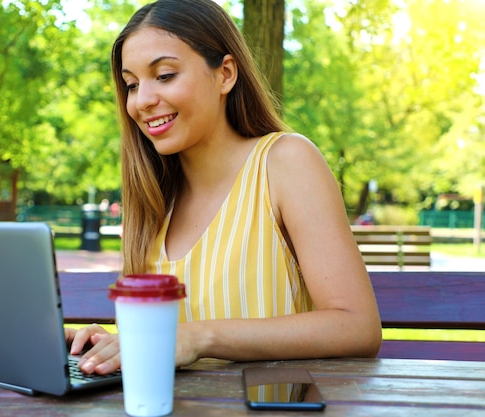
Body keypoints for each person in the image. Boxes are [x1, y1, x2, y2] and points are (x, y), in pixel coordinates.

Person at [66, 0, 382, 375]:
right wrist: (105, 348)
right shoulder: (153, 198)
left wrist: (198, 338)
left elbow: (357, 326)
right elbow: (161, 347)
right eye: (132, 84)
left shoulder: (285, 162)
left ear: (226, 74)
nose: (143, 101)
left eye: (165, 75)